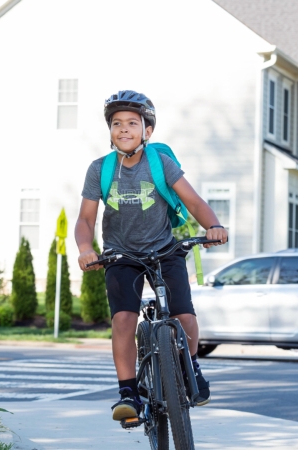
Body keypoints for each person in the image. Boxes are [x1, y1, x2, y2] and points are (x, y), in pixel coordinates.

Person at [75, 90, 228, 423]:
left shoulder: (160, 163)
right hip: (120, 255)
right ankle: (128, 392)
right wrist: (86, 249)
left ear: (148, 130)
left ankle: (191, 368)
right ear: (110, 131)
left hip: (164, 250)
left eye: (133, 123)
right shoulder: (100, 169)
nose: (124, 129)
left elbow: (195, 202)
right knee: (123, 320)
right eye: (117, 123)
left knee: (185, 316)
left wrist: (213, 226)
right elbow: (86, 219)